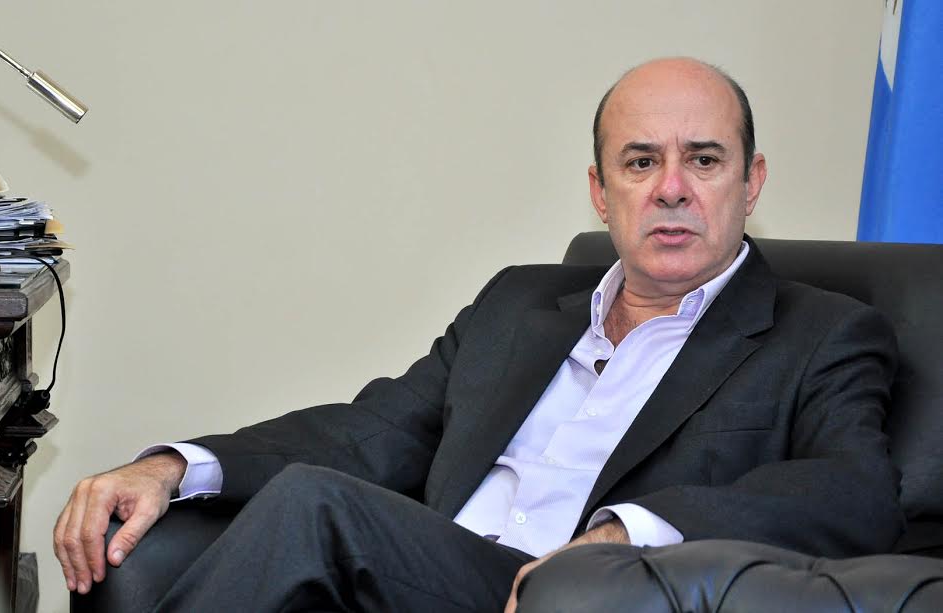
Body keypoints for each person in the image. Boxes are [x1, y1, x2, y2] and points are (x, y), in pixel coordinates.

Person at [55, 57, 903, 612]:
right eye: (640, 161)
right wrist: (174, 466)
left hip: (572, 595)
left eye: (704, 160)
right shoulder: (517, 306)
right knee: (209, 526)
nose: (671, 188)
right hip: (422, 576)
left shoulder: (820, 331)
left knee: (315, 504)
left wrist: (629, 535)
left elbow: (853, 490)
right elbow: (370, 431)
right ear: (600, 191)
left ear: (750, 182)